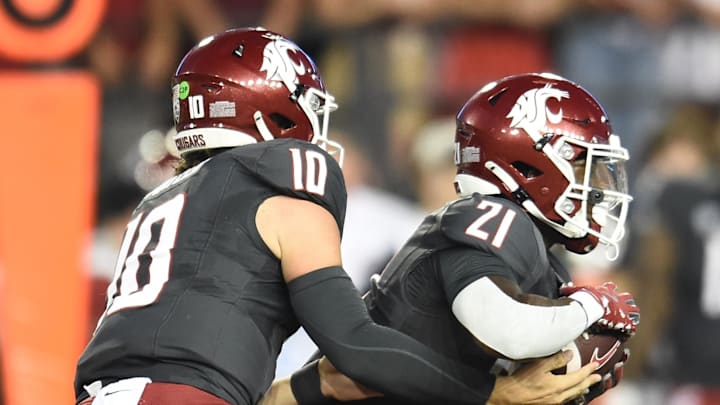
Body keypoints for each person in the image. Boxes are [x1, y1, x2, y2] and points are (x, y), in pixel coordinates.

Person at [73, 29, 601, 405]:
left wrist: (323, 383)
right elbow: (356, 346)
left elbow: (317, 375)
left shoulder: (165, 200)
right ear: (274, 113)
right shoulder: (282, 173)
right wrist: (492, 395)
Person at [310, 73, 641, 405]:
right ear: (529, 167)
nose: (599, 187)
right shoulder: (488, 216)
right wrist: (587, 308)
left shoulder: (544, 261)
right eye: (584, 167)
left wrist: (570, 376)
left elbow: (493, 383)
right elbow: (506, 327)